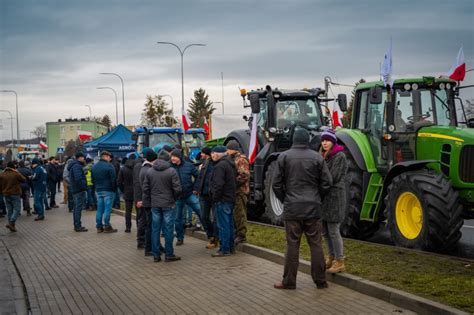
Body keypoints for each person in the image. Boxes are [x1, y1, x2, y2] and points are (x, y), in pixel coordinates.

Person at [272, 128, 332, 290]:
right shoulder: (317, 158)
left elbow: (276, 184)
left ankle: (289, 281)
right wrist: (317, 197)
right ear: (308, 140)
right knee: (316, 244)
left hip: (292, 208)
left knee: (292, 245)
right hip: (313, 208)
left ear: (293, 140)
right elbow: (327, 182)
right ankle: (321, 280)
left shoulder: (284, 157)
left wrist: (286, 199)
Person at [143, 150, 182, 262]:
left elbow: (145, 189)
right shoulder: (171, 171)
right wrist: (174, 198)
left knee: (155, 229)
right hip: (168, 204)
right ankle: (169, 254)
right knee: (168, 229)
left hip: (155, 204)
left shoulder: (150, 171)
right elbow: (178, 189)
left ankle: (156, 255)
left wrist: (150, 201)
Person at [320, 129, 347, 273]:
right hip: (325, 198)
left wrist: (317, 181)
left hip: (335, 197)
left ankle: (339, 260)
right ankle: (330, 257)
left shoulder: (339, 156)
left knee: (334, 230)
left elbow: (332, 177)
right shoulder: (324, 156)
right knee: (325, 231)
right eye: (323, 140)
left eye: (327, 140)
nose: (324, 143)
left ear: (333, 142)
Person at [209, 145, 236, 257]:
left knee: (223, 225)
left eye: (213, 153)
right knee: (229, 224)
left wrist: (215, 197)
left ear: (218, 154)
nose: (212, 155)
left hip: (222, 199)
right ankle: (230, 247)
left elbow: (218, 184)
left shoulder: (220, 166)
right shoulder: (229, 163)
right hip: (229, 198)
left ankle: (224, 249)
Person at [170, 149, 202, 246]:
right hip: (177, 197)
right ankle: (180, 238)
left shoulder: (188, 166)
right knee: (177, 218)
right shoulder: (169, 167)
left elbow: (198, 176)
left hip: (189, 194)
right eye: (171, 157)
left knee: (201, 212)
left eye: (174, 156)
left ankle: (211, 235)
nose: (172, 158)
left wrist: (195, 188)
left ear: (179, 157)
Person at [226, 140, 250, 245]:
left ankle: (241, 235)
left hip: (240, 191)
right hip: (234, 192)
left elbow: (244, 175)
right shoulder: (233, 159)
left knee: (240, 214)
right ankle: (237, 233)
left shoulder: (240, 160)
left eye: (228, 149)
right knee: (235, 214)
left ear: (232, 149)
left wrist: (233, 183)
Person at [196, 147, 218, 249]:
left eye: (202, 153)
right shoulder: (204, 164)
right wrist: (197, 188)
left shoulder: (216, 164)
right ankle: (211, 235)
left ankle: (215, 238)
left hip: (213, 195)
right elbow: (200, 178)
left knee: (215, 218)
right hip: (203, 194)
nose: (201, 155)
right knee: (204, 217)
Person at [92, 151, 118, 233]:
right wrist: (114, 190)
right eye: (109, 157)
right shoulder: (109, 166)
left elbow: (93, 179)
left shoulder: (94, 166)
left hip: (98, 190)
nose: (110, 159)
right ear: (106, 156)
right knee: (107, 209)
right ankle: (107, 225)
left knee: (99, 209)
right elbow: (113, 179)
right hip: (108, 190)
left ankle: (99, 227)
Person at [138, 148, 158, 255]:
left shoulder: (144, 168)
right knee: (150, 226)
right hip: (150, 202)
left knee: (150, 225)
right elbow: (148, 188)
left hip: (147, 201)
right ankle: (149, 248)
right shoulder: (148, 170)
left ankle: (154, 246)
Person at [0, 161, 26, 232]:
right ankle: (11, 222)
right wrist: (17, 172)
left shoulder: (2, 174)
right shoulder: (15, 174)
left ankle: (12, 226)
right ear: (13, 167)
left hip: (6, 194)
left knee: (10, 210)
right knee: (17, 209)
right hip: (15, 194)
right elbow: (24, 179)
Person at [68, 152, 88, 232]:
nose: (84, 159)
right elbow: (78, 179)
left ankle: (77, 225)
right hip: (78, 190)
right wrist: (84, 187)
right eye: (83, 157)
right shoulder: (76, 166)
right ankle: (77, 226)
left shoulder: (75, 165)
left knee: (77, 208)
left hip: (76, 189)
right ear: (79, 158)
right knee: (78, 208)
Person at [118, 154, 136, 233]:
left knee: (128, 211)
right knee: (139, 211)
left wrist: (123, 190)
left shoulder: (123, 168)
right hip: (137, 192)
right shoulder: (137, 167)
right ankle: (140, 226)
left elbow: (119, 182)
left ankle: (128, 228)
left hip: (127, 191)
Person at [133, 150, 146, 248]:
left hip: (141, 197)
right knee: (142, 219)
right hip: (141, 198)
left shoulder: (139, 165)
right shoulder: (139, 166)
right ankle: (141, 241)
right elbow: (138, 184)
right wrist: (139, 199)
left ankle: (141, 240)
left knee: (141, 219)